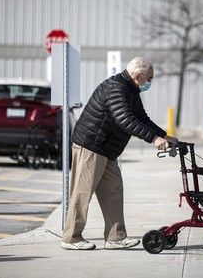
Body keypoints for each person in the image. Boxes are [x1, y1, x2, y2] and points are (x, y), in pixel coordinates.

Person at [61, 56, 178, 250]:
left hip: (107, 149)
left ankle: (115, 237)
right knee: (82, 194)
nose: (149, 82)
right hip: (91, 146)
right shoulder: (116, 88)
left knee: (114, 192)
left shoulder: (131, 89)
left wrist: (164, 135)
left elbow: (141, 117)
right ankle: (71, 238)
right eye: (148, 78)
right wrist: (154, 139)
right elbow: (125, 119)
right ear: (139, 76)